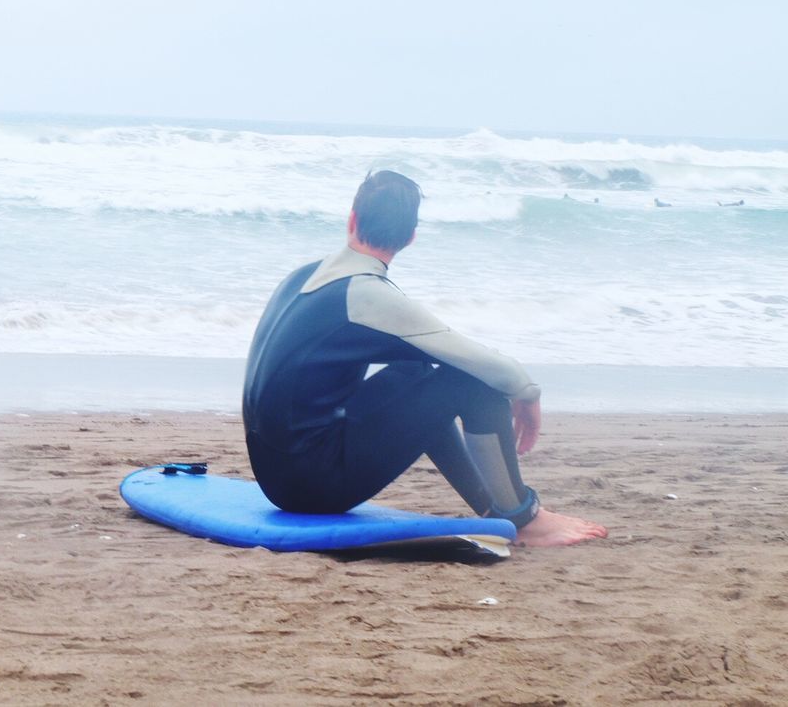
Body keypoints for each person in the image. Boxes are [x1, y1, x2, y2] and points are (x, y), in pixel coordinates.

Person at [242, 170, 606, 547]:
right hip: (311, 489)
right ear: (410, 237)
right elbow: (491, 367)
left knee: (416, 370)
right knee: (473, 382)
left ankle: (490, 506)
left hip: (276, 474)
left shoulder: (303, 276)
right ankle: (521, 517)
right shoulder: (366, 295)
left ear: (351, 219)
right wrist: (527, 395)